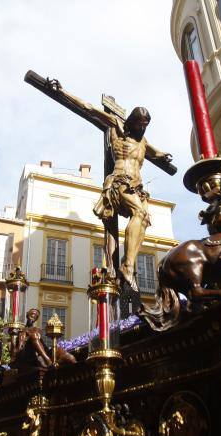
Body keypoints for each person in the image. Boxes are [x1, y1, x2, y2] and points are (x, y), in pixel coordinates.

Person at [47, 79, 172, 290]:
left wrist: (163, 155)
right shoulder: (116, 128)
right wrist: (63, 91)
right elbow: (89, 108)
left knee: (143, 221)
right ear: (131, 121)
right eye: (139, 123)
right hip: (120, 181)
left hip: (138, 186)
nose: (143, 127)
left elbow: (156, 152)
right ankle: (127, 266)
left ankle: (128, 264)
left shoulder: (143, 142)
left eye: (146, 124)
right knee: (139, 214)